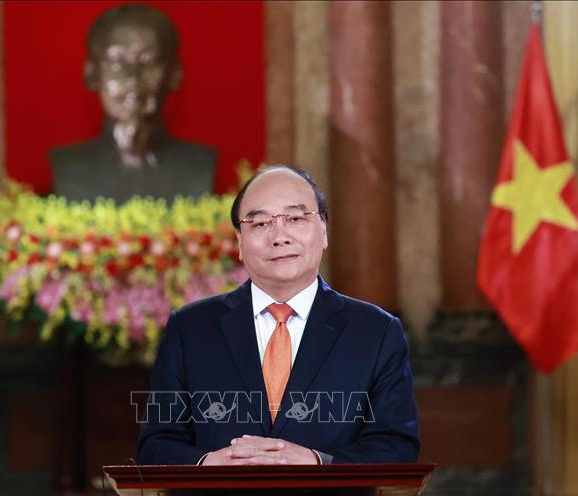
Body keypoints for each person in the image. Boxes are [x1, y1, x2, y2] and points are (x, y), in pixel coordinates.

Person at [135, 165, 419, 465]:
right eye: (259, 224)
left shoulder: (375, 332)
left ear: (323, 229)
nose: (279, 236)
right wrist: (209, 464)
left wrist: (316, 461)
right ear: (240, 241)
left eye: (295, 218)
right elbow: (156, 445)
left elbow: (396, 447)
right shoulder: (190, 329)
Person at [50, 4, 217, 204]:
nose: (132, 77)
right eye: (116, 62)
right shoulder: (67, 166)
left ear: (174, 74)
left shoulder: (200, 165)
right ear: (92, 74)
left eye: (148, 61)